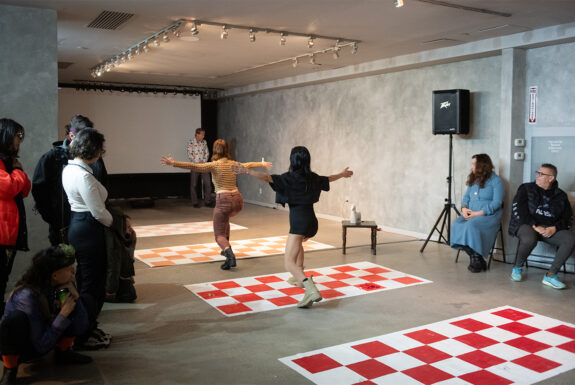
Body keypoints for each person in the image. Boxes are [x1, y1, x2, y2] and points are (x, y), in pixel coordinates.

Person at [233, 146, 353, 308]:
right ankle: (299, 277)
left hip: (299, 221)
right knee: (298, 246)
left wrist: (247, 172)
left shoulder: (288, 178)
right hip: (312, 221)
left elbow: (267, 177)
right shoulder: (313, 177)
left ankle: (310, 289)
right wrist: (342, 174)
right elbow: (328, 178)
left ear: (292, 160)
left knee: (288, 263)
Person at [161, 139, 271, 270]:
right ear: (227, 151)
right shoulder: (233, 163)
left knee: (218, 235)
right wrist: (262, 163)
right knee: (226, 221)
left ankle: (229, 255)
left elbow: (194, 166)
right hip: (238, 201)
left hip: (224, 201)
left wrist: (173, 163)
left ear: (214, 150)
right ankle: (226, 250)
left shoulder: (214, 165)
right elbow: (248, 165)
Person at [0, 245, 92, 385]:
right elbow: (41, 346)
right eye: (68, 268)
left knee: (84, 301)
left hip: (44, 337)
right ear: (54, 275)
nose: (73, 271)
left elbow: (81, 326)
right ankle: (10, 369)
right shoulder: (28, 296)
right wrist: (63, 314)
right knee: (15, 320)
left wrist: (76, 297)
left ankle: (63, 352)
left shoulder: (59, 284)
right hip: (27, 347)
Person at [62, 128, 112, 349]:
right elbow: (99, 212)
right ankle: (83, 334)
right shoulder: (83, 175)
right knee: (92, 284)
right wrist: (117, 225)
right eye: (100, 149)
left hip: (79, 226)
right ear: (93, 149)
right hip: (89, 230)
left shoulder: (70, 169)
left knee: (86, 281)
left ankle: (87, 326)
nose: (102, 153)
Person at [32, 115, 108, 246]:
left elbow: (103, 182)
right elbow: (39, 191)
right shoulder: (52, 157)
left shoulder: (96, 158)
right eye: (85, 137)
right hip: (62, 225)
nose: (89, 142)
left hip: (90, 223)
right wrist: (53, 218)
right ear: (72, 136)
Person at [508, 163, 574, 289]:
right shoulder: (525, 188)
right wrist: (535, 225)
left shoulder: (561, 196)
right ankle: (517, 268)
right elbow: (519, 212)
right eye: (537, 173)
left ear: (551, 178)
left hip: (548, 229)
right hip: (526, 224)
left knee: (569, 239)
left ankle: (551, 275)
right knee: (529, 239)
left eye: (541, 174)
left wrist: (555, 228)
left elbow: (567, 218)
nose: (537, 176)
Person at [450, 154, 504, 273]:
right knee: (456, 224)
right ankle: (476, 257)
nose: (471, 167)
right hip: (471, 214)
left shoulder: (496, 181)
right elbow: (466, 198)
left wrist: (477, 213)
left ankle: (475, 258)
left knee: (471, 225)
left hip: (488, 216)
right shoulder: (473, 180)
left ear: (482, 165)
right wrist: (464, 209)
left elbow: (497, 203)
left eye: (473, 164)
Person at [0, 118, 30, 314]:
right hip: (2, 234)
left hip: (8, 232)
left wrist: (17, 171)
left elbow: (25, 189)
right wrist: (18, 171)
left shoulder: (8, 162)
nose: (20, 141)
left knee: (4, 278)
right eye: (18, 136)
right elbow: (8, 188)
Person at [187, 128, 213, 208]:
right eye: (202, 134)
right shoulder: (191, 142)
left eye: (204, 134)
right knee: (193, 184)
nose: (203, 136)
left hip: (203, 165)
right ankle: (195, 202)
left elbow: (207, 153)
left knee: (208, 183)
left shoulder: (204, 142)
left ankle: (207, 201)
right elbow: (189, 154)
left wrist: (204, 160)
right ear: (197, 134)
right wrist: (197, 162)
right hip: (195, 165)